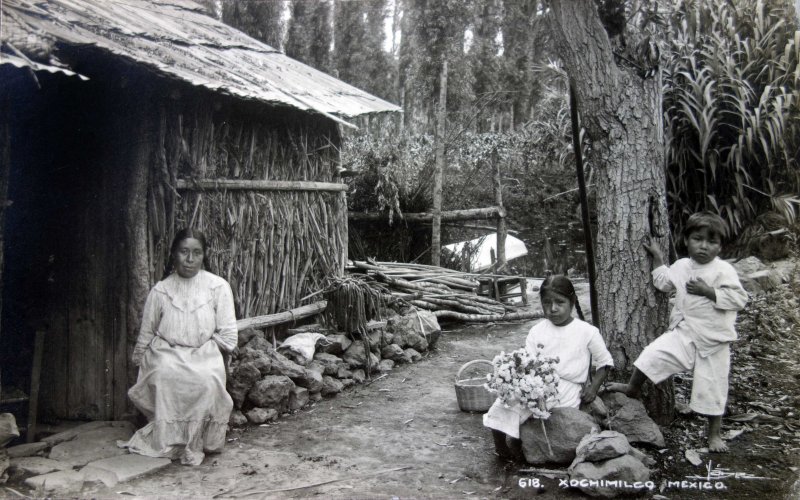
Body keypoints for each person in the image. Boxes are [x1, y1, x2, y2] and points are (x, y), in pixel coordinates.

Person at [607, 212, 748, 452]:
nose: (704, 246)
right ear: (686, 240)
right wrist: (658, 258)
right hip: (685, 332)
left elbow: (739, 299)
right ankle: (633, 388)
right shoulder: (682, 266)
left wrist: (709, 291)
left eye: (712, 242)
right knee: (652, 353)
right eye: (698, 239)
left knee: (714, 387)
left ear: (720, 246)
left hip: (715, 340)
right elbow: (663, 282)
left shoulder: (723, 270)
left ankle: (714, 434)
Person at [120, 228, 238, 466]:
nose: (190, 259)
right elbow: (147, 330)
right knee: (163, 374)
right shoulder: (161, 290)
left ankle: (199, 442)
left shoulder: (218, 286)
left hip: (204, 351)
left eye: (196, 253)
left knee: (206, 380)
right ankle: (168, 441)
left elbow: (229, 334)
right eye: (184, 252)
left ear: (204, 255)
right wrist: (140, 359)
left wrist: (207, 343)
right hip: (167, 352)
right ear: (174, 254)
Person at [483, 275, 614, 460]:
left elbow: (605, 362)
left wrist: (593, 389)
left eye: (560, 302)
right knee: (502, 403)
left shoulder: (587, 331)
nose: (553, 309)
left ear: (572, 301)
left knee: (532, 409)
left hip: (566, 388)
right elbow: (527, 361)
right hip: (535, 382)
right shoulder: (537, 330)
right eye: (547, 303)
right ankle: (502, 450)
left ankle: (525, 443)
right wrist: (519, 382)